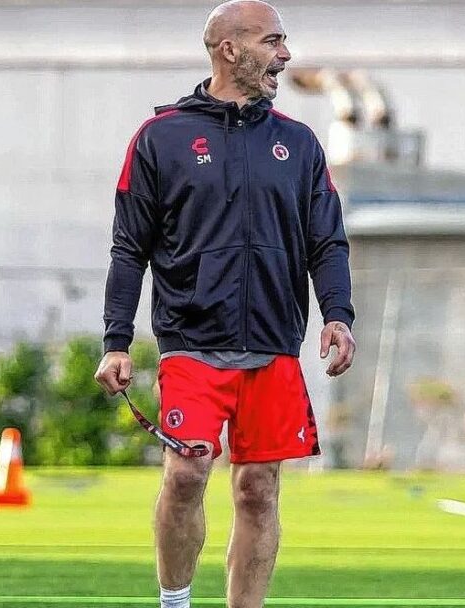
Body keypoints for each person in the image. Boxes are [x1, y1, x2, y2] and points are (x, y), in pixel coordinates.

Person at [92, 2, 356, 607]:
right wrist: (115, 341)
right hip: (191, 346)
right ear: (229, 49)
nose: (286, 55)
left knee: (258, 489)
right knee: (186, 474)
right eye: (273, 41)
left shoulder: (299, 143)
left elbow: (327, 241)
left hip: (273, 346)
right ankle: (175, 602)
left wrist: (338, 314)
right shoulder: (161, 139)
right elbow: (129, 248)